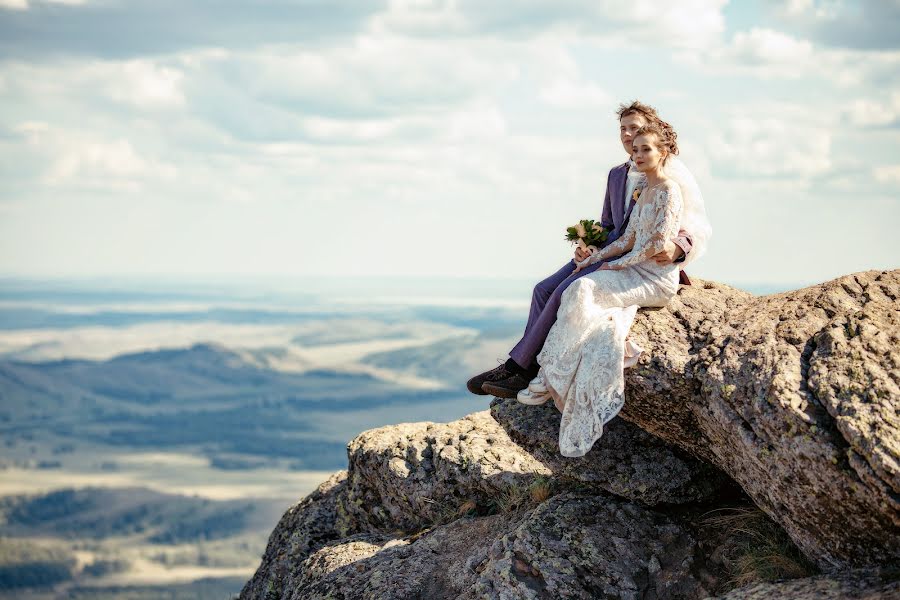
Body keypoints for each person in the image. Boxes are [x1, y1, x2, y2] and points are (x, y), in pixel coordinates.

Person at [466, 101, 708, 398]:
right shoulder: (616, 174)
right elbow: (610, 223)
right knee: (542, 289)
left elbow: (695, 225)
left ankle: (519, 369)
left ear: (651, 130)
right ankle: (519, 363)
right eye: (623, 129)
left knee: (564, 291)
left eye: (635, 128)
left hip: (638, 261)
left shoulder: (668, 174)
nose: (629, 135)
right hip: (610, 249)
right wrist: (589, 244)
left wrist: (676, 249)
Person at [522, 123, 691, 456]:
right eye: (636, 149)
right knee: (580, 289)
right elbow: (628, 237)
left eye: (647, 149)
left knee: (583, 290)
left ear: (663, 152)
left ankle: (551, 373)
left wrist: (620, 265)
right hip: (630, 265)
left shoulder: (670, 190)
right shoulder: (643, 187)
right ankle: (551, 373)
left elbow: (658, 243)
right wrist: (597, 257)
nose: (639, 154)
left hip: (654, 277)